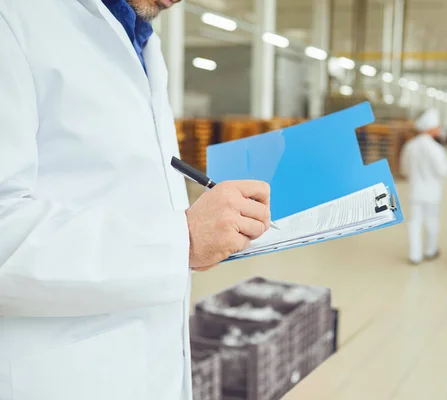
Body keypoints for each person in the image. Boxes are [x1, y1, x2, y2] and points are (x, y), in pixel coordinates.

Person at [0, 1, 272, 399]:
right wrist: (182, 240)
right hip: (55, 378)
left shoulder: (138, 38)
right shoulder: (15, 19)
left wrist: (189, 244)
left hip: (145, 366)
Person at [401, 109, 447, 265]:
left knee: (414, 223)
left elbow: (404, 169)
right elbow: (444, 171)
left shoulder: (410, 146)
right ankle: (430, 250)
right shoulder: (435, 148)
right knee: (431, 221)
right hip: (432, 193)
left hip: (415, 191)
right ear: (431, 129)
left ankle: (414, 255)